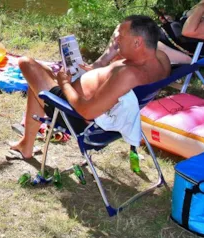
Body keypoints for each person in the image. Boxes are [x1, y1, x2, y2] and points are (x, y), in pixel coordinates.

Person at [9, 15, 170, 160]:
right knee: (41, 73)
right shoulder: (160, 59)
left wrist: (64, 84)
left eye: (121, 36)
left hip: (75, 114)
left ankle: (26, 145)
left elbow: (86, 111)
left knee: (27, 63)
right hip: (89, 101)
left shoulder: (129, 75)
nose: (117, 40)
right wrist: (104, 59)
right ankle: (26, 145)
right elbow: (112, 74)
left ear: (137, 42)